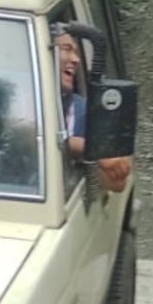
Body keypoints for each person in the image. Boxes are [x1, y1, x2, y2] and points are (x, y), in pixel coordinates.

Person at [55, 29, 132, 193]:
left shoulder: (82, 111)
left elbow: (116, 186)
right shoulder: (14, 97)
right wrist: (83, 146)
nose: (76, 59)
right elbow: (20, 135)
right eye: (67, 49)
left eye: (76, 52)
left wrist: (114, 165)